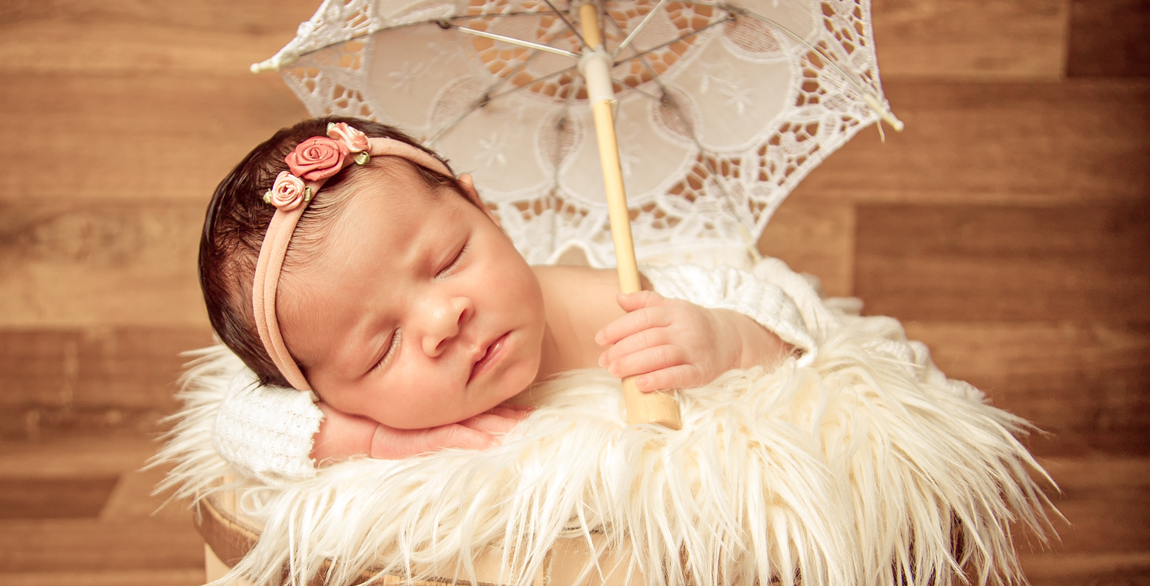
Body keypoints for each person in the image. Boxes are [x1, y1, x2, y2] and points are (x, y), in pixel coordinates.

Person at [200, 117, 816, 477]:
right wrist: (377, 441)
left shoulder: (623, 303)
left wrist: (726, 337)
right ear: (319, 391)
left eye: (448, 261)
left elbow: (794, 329)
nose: (444, 318)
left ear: (482, 208)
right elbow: (236, 422)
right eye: (381, 348)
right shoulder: (341, 411)